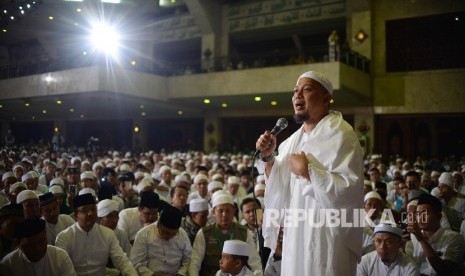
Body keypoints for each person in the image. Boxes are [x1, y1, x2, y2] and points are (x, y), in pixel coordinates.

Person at [255, 71, 364, 275]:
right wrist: (269, 158)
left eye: (306, 90)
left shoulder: (342, 135)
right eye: (295, 91)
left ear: (326, 97)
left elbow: (350, 190)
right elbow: (277, 186)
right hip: (295, 234)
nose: (298, 95)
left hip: (325, 237)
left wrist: (308, 172)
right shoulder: (289, 144)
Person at [55, 193, 138, 275]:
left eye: (93, 209)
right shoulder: (64, 238)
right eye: (85, 210)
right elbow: (63, 270)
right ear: (76, 215)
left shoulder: (107, 234)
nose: (90, 213)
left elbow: (122, 261)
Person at [188, 193, 262, 276]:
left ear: (234, 211)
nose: (224, 215)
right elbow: (195, 263)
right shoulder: (204, 233)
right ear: (213, 212)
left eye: (228, 211)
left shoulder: (244, 232)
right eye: (220, 211)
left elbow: (255, 262)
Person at [407, 193, 465, 275]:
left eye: (425, 213)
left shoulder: (454, 238)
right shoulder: (414, 236)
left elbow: (444, 271)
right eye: (418, 214)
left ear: (439, 216)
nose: (420, 218)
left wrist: (421, 239)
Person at [0, 218, 77, 275]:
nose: (37, 248)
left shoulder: (59, 257)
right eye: (30, 245)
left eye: (41, 241)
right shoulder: (8, 265)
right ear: (18, 245)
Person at [130, 204, 192, 276]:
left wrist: (181, 273)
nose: (168, 237)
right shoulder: (144, 234)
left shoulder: (182, 234)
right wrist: (151, 274)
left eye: (173, 234)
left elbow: (188, 259)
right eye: (166, 232)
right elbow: (136, 262)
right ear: (158, 225)